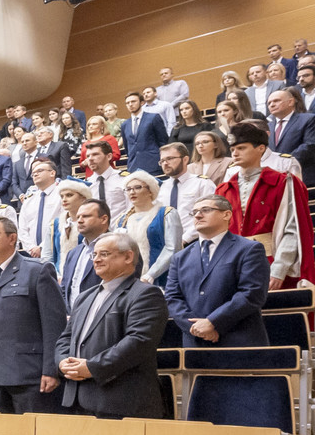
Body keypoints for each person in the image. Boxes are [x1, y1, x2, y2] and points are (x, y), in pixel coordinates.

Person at [55, 233, 169, 419]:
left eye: (104, 254)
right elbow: (66, 338)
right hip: (77, 401)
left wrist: (92, 367)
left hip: (121, 402)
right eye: (94, 254)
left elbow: (139, 342)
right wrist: (62, 363)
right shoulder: (84, 297)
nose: (96, 259)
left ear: (128, 257)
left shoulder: (146, 294)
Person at [0, 218, 68, 414]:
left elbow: (54, 325)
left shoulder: (37, 270)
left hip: (30, 375)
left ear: (12, 238)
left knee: (34, 431)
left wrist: (51, 369)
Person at [163, 194, 271, 347]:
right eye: (194, 212)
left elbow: (252, 293)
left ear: (226, 214)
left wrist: (213, 322)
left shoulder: (249, 249)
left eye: (206, 210)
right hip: (195, 343)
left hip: (239, 341)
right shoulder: (180, 257)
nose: (198, 215)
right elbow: (172, 298)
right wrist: (196, 328)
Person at [219, 121, 315, 289]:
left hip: (272, 261)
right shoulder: (223, 189)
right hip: (233, 267)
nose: (235, 153)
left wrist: (279, 269)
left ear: (261, 148)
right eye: (232, 149)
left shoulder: (283, 182)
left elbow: (293, 228)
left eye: (241, 148)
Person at [117, 172, 181, 286]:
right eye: (128, 189)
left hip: (162, 277)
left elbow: (172, 248)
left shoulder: (166, 214)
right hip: (130, 280)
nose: (132, 192)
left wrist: (151, 274)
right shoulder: (123, 219)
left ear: (150, 191)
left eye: (137, 187)